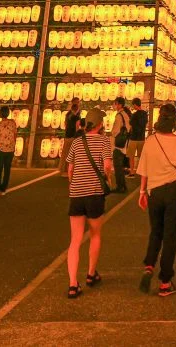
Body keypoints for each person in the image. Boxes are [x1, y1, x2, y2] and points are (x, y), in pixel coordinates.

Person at [137, 103, 176, 297]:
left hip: (154, 191)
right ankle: (165, 282)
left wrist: (142, 192)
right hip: (173, 191)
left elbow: (143, 169)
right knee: (170, 235)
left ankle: (149, 265)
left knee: (156, 231)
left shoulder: (150, 141)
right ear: (174, 122)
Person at [65, 107, 113, 298]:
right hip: (94, 193)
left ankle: (72, 284)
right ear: (100, 125)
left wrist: (74, 185)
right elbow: (107, 165)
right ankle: (91, 274)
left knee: (75, 240)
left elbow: (70, 168)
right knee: (95, 234)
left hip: (76, 194)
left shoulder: (77, 142)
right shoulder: (104, 141)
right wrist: (107, 177)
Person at [0, 106, 18, 196]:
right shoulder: (13, 123)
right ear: (8, 113)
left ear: (0, 114)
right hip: (10, 149)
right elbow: (15, 135)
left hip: (1, 149)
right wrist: (13, 145)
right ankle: (3, 189)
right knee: (7, 169)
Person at [110, 97, 131, 193]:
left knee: (117, 166)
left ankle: (120, 187)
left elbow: (115, 131)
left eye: (115, 104)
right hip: (123, 143)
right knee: (120, 166)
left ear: (119, 104)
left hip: (118, 145)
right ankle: (123, 186)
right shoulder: (125, 114)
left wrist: (112, 134)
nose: (114, 106)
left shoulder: (119, 116)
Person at [127, 97, 148, 174]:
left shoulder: (134, 115)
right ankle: (141, 172)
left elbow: (130, 123)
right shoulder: (145, 114)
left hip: (133, 138)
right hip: (142, 138)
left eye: (133, 105)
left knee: (131, 156)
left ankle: (132, 172)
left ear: (135, 105)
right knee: (141, 157)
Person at [61, 98, 83, 174]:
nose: (79, 104)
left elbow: (65, 124)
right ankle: (68, 170)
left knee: (66, 153)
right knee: (71, 154)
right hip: (72, 136)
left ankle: (65, 170)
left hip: (68, 135)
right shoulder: (75, 115)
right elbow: (77, 126)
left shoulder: (69, 114)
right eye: (78, 103)